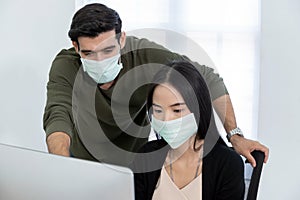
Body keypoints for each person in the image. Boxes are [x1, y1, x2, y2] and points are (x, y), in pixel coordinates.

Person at [43, 3, 268, 166]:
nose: (100, 60)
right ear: (75, 46)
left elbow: (207, 78)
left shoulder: (146, 55)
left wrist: (235, 135)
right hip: (83, 165)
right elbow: (58, 114)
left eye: (108, 50)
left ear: (121, 39)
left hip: (135, 166)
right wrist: (63, 168)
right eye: (90, 53)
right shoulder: (66, 66)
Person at [132, 60, 245, 200]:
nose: (166, 119)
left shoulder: (227, 164)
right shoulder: (146, 157)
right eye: (158, 110)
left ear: (198, 109)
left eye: (177, 110)